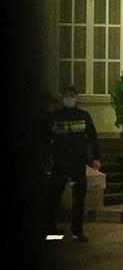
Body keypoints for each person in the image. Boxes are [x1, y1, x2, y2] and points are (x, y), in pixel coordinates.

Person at [45, 84, 101, 242]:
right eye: (66, 94)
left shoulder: (84, 116)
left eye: (72, 95)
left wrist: (96, 158)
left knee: (79, 198)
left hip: (78, 162)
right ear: (61, 97)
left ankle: (77, 230)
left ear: (77, 97)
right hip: (60, 162)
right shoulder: (54, 117)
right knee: (54, 196)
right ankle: (49, 228)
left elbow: (93, 137)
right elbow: (45, 139)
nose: (69, 97)